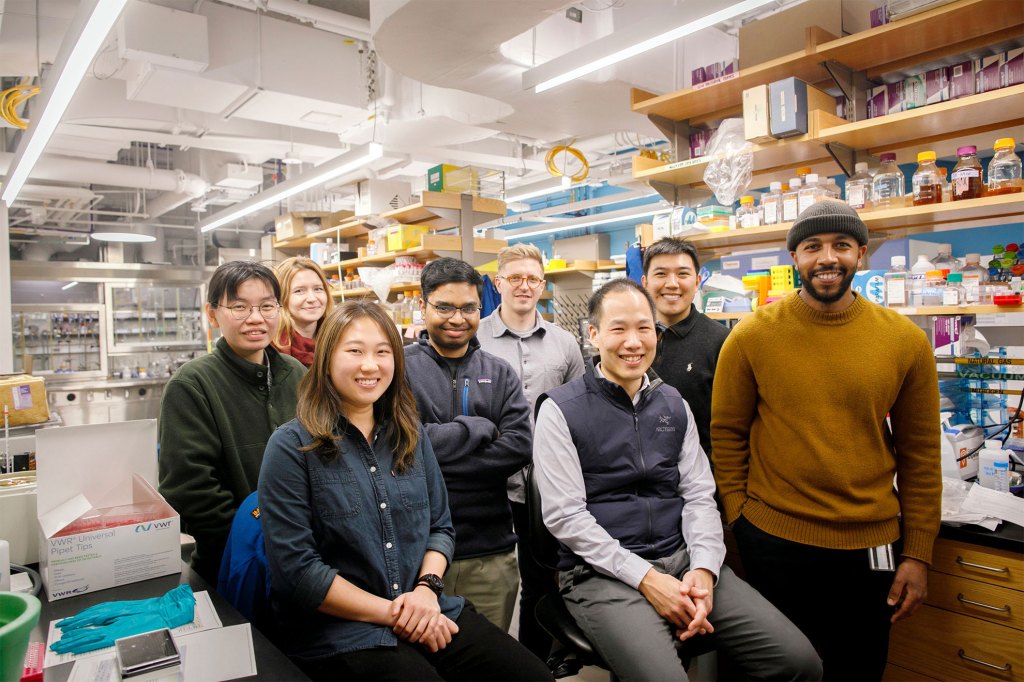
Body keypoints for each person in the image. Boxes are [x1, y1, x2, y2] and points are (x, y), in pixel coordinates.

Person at [533, 278, 822, 682]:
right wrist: (648, 579)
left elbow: (700, 495)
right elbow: (566, 518)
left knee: (798, 663)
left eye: (644, 328)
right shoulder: (561, 410)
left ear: (656, 333)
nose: (633, 342)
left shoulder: (672, 403)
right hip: (601, 573)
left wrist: (703, 570)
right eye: (618, 329)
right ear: (594, 334)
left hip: (683, 560)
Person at [259, 301, 552, 682]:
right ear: (326, 358)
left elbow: (441, 528)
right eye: (354, 351)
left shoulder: (410, 435)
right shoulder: (291, 446)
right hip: (342, 630)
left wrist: (427, 592)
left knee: (533, 676)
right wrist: (399, 612)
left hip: (428, 604)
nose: (370, 365)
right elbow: (298, 572)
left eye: (383, 352)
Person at [711, 201, 941, 681]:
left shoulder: (904, 341)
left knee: (857, 668)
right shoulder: (752, 335)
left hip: (872, 544)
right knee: (772, 671)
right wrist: (739, 516)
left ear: (862, 253)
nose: (827, 258)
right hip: (774, 541)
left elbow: (921, 453)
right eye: (812, 247)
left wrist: (918, 552)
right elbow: (727, 435)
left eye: (841, 245)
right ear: (795, 258)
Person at [405, 257, 533, 632]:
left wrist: (434, 459)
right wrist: (478, 428)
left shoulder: (499, 372)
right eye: (444, 307)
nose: (457, 318)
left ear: (481, 308)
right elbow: (402, 445)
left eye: (468, 308)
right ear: (423, 304)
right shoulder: (398, 368)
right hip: (414, 551)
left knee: (486, 662)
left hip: (490, 552)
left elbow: (519, 446)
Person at [159, 260, 306, 583]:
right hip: (231, 566)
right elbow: (191, 490)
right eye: (239, 307)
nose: (256, 318)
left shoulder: (297, 374)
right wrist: (254, 547)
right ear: (212, 314)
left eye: (267, 306)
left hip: (304, 560)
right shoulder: (192, 385)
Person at [477, 243, 585, 658]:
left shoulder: (564, 344)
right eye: (516, 278)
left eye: (533, 279)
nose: (525, 286)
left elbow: (579, 409)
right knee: (490, 578)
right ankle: (487, 661)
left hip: (546, 484)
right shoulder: (475, 338)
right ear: (499, 282)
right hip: (489, 483)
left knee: (541, 579)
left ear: (543, 285)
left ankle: (535, 662)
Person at [642, 237, 729, 457]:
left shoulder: (723, 342)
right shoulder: (631, 341)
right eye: (661, 274)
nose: (672, 283)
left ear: (698, 280)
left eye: (682, 274)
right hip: (635, 480)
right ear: (644, 282)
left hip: (702, 481)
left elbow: (732, 427)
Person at [273, 256, 334, 367]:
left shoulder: (337, 340)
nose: (312, 298)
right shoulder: (271, 349)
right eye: (299, 291)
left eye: (318, 289)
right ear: (281, 298)